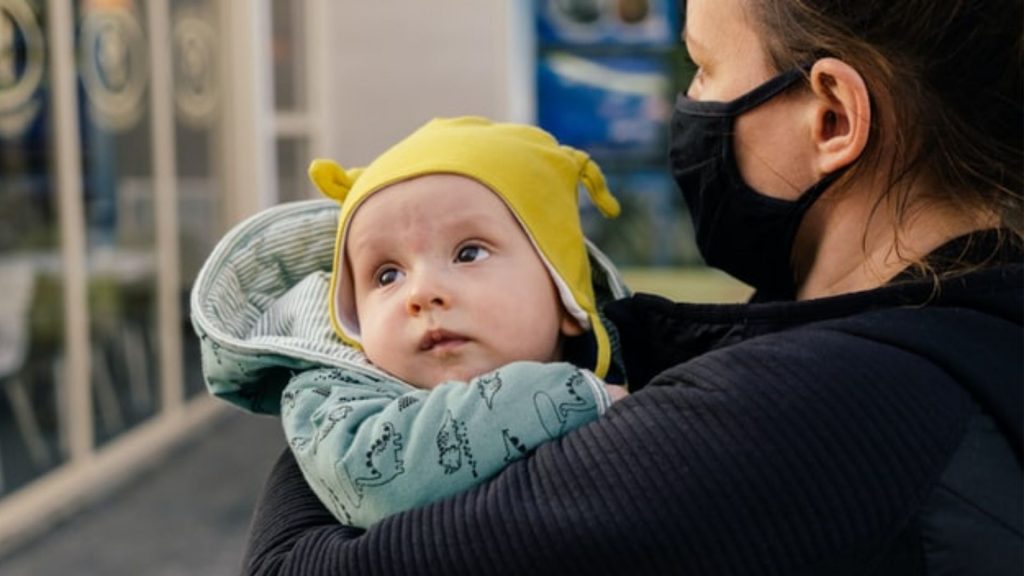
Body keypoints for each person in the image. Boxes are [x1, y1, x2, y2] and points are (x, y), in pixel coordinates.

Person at [239, 0, 1023, 573]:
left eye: (705, 68)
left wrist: (337, 378)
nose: (690, 106)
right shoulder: (953, 322)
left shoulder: (818, 408)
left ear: (829, 119)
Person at [191, 116, 628, 529]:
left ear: (566, 297)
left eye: (468, 253)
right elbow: (374, 478)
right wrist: (568, 395)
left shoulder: (645, 365)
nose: (421, 294)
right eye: (387, 275)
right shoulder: (331, 399)